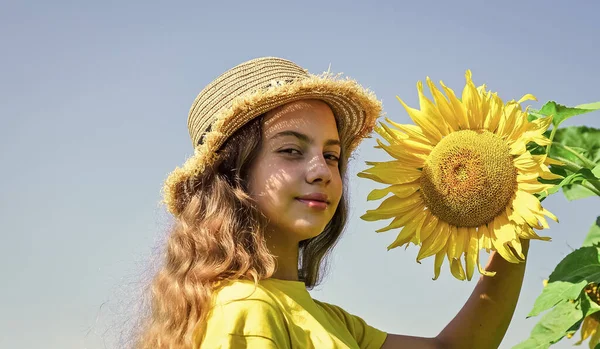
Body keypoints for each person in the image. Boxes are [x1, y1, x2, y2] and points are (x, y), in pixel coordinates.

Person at [135, 57, 529, 349]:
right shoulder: (249, 310)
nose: (321, 170)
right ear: (233, 176)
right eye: (291, 150)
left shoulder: (324, 319)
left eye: (332, 156)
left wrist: (516, 219)